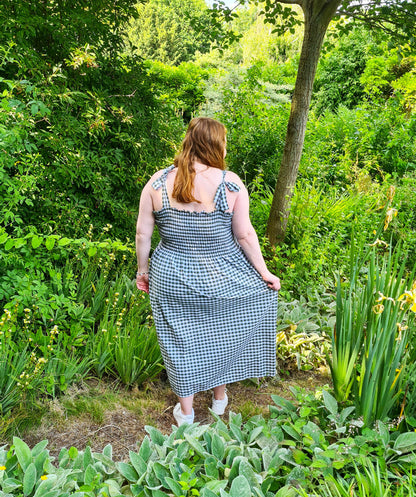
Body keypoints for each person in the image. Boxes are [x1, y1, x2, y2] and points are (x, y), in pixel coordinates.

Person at [135, 117, 280, 426]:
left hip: (171, 276)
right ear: (217, 144)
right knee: (222, 333)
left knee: (180, 341)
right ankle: (219, 399)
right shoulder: (230, 183)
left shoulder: (158, 182)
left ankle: (186, 414)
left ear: (189, 140)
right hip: (221, 277)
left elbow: (142, 235)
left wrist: (142, 271)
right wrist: (264, 273)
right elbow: (245, 236)